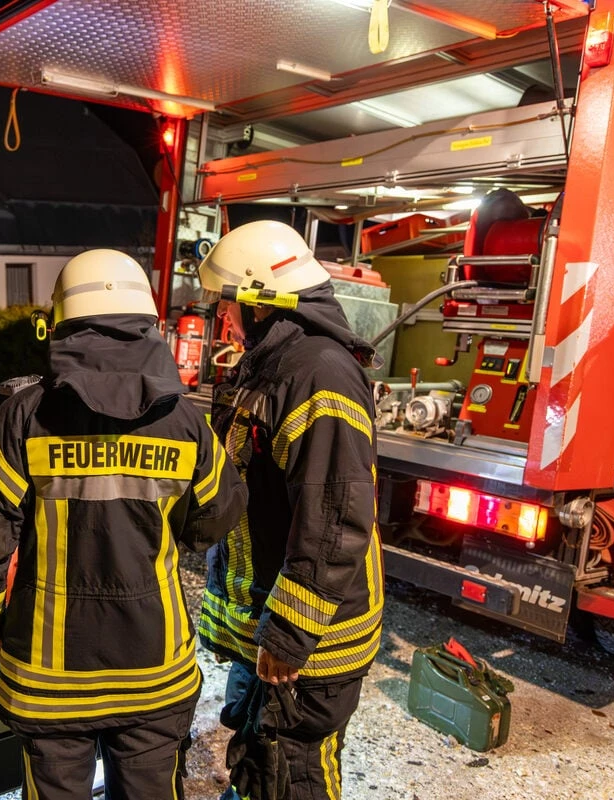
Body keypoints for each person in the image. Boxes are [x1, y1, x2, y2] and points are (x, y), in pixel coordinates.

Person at [0, 249, 246, 800]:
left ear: (58, 324)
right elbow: (217, 517)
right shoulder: (186, 423)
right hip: (154, 674)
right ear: (150, 327)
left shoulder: (23, 417)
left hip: (51, 678)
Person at [194, 220, 383, 800]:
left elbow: (334, 521)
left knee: (291, 773)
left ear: (259, 301)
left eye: (228, 305)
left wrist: (290, 632)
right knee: (258, 761)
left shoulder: (318, 374)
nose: (223, 318)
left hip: (307, 649)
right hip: (269, 632)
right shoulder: (275, 364)